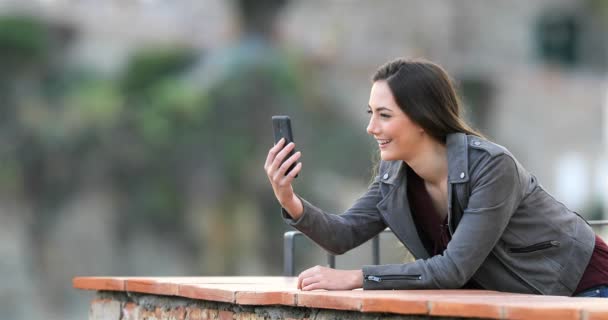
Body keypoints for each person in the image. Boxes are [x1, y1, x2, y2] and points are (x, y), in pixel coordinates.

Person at [263, 58, 608, 297]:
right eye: (371, 114)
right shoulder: (394, 179)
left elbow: (453, 268)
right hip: (519, 301)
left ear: (423, 118)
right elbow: (343, 234)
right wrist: (287, 197)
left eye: (385, 115)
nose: (371, 128)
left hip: (586, 286)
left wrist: (356, 278)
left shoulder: (492, 167)